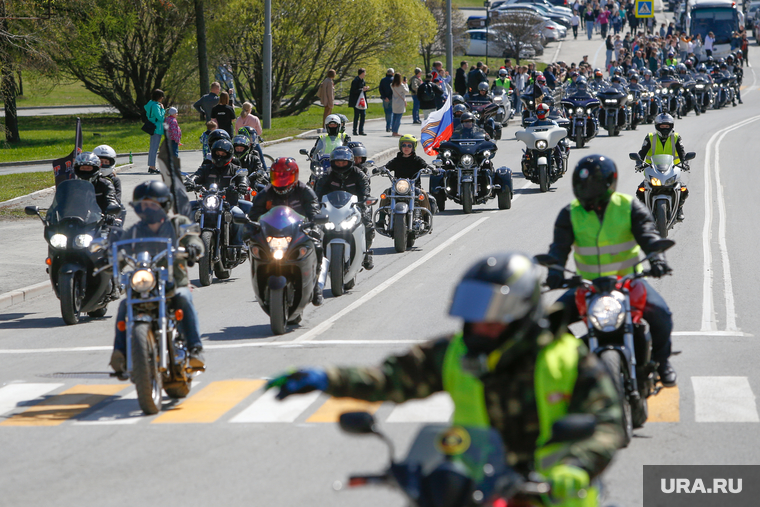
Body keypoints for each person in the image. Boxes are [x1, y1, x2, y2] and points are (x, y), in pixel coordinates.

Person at [267, 252, 624, 507]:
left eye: (491, 313)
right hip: (475, 491)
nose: (478, 323)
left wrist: (577, 465)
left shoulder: (565, 358)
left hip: (554, 495)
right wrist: (326, 379)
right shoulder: (456, 353)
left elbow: (608, 423)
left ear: (520, 313)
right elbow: (390, 379)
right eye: (474, 311)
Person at [546, 155, 677, 388]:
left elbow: (648, 235)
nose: (587, 189)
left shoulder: (628, 206)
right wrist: (554, 272)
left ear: (609, 183)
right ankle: (575, 358)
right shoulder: (570, 213)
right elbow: (558, 248)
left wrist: (657, 259)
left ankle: (661, 361)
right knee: (547, 322)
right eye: (582, 184)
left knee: (661, 314)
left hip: (629, 284)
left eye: (594, 184)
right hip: (588, 287)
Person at [109, 181, 205, 377]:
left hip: (174, 282)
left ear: (164, 205)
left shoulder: (177, 223)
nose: (148, 209)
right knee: (124, 305)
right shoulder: (135, 230)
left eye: (153, 204)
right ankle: (120, 353)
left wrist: (194, 247)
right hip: (144, 283)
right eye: (144, 205)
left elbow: (194, 238)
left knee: (184, 299)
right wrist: (109, 259)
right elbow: (121, 251)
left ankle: (195, 349)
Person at [249, 158, 325, 306]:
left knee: (318, 247)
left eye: (285, 176)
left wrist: (315, 227)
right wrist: (249, 229)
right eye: (277, 176)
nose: (281, 180)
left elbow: (314, 211)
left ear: (294, 176)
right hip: (272, 235)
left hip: (298, 233)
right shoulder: (266, 193)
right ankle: (260, 283)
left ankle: (315, 286)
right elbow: (253, 214)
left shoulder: (305, 191)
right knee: (254, 249)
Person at [314, 146, 374, 270]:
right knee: (313, 227)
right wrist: (315, 204)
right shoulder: (327, 174)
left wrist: (364, 202)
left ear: (350, 162)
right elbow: (317, 192)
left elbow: (365, 191)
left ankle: (366, 253)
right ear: (333, 162)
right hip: (331, 209)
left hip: (354, 208)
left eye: (344, 162)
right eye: (338, 162)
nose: (341, 165)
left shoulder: (358, 174)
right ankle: (315, 256)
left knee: (368, 225)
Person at [185, 139, 252, 245]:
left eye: (223, 154)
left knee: (239, 215)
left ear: (229, 155)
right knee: (186, 209)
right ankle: (188, 243)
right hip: (207, 203)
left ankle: (238, 244)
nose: (220, 156)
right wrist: (190, 181)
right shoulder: (206, 168)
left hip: (229, 203)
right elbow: (197, 175)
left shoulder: (234, 169)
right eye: (217, 153)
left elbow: (243, 178)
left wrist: (243, 184)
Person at [637, 113, 689, 220]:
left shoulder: (676, 138)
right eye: (662, 126)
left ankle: (679, 208)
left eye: (667, 126)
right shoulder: (650, 138)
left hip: (671, 171)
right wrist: (638, 162)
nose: (665, 128)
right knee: (640, 191)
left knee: (684, 190)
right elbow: (642, 152)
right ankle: (643, 212)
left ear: (671, 126)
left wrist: (685, 162)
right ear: (657, 126)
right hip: (653, 170)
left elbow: (682, 153)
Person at [144, 88, 165, 175]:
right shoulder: (156, 106)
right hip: (157, 128)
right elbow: (160, 117)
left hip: (152, 126)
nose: (162, 98)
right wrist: (163, 109)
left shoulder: (150, 104)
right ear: (159, 97)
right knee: (154, 148)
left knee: (152, 147)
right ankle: (152, 167)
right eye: (162, 97)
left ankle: (151, 166)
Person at [348, 68, 369, 136]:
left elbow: (362, 90)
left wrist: (365, 89)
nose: (365, 74)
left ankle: (361, 130)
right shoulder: (355, 81)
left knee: (363, 115)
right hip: (356, 101)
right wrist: (361, 89)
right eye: (364, 73)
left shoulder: (363, 81)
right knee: (356, 116)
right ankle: (354, 130)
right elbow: (353, 91)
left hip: (362, 101)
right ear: (362, 73)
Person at [379, 68, 395, 133]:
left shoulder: (383, 80)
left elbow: (381, 89)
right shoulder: (394, 80)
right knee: (391, 112)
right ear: (393, 73)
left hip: (385, 98)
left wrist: (384, 97)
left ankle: (388, 125)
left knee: (387, 112)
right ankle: (389, 126)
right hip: (392, 98)